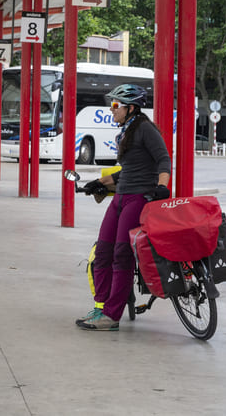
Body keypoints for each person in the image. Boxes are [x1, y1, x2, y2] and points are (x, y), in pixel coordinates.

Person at [76, 84, 171, 331]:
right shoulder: (128, 130)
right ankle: (101, 307)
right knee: (103, 252)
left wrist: (162, 187)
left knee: (121, 254)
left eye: (116, 105)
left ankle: (112, 315)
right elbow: (127, 171)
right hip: (120, 197)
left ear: (131, 108)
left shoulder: (145, 129)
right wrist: (99, 182)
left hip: (138, 197)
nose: (112, 109)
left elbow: (163, 159)